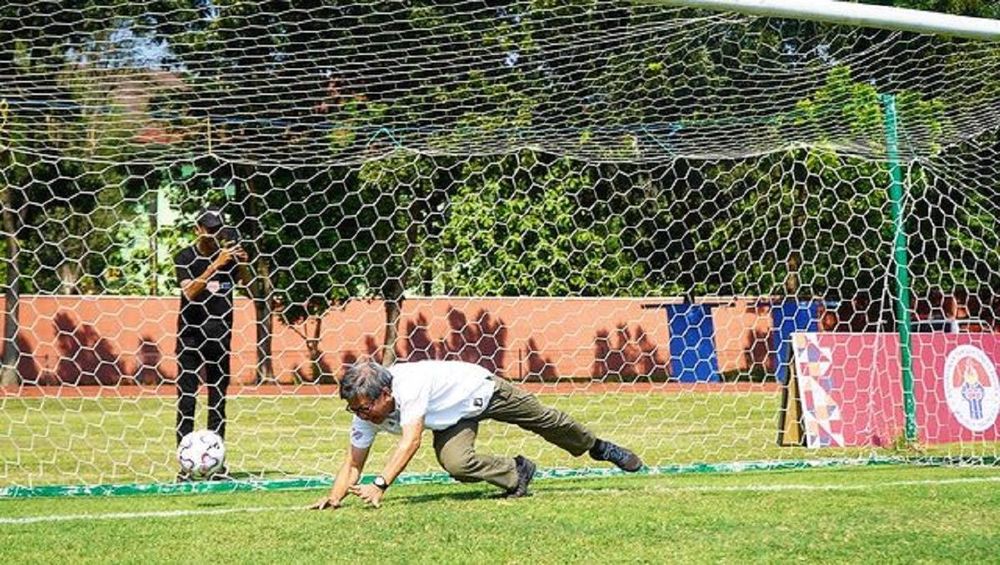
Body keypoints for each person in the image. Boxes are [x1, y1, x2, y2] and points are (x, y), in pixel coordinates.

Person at [311, 360, 643, 509]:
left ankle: (598, 447)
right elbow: (353, 461)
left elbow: (410, 441)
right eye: (354, 409)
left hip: (481, 392)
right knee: (456, 463)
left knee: (544, 419)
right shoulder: (364, 413)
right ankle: (517, 474)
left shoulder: (409, 385)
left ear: (386, 393)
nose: (361, 414)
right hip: (452, 419)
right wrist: (335, 496)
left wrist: (380, 485)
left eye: (365, 407)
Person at [174, 207, 250, 481]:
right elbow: (190, 293)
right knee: (187, 400)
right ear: (197, 229)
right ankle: (185, 465)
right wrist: (215, 265)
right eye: (209, 229)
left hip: (220, 337)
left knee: (218, 402)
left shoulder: (228, 259)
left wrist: (241, 263)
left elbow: (249, 286)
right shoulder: (185, 256)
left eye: (217, 229)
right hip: (190, 338)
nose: (213, 234)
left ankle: (216, 466)